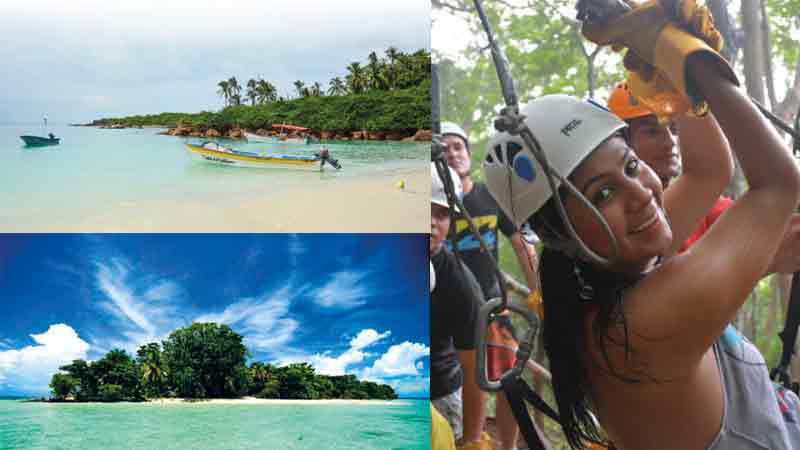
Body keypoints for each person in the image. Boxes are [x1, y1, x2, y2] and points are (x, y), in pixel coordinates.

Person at [482, 11, 800, 449]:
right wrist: (694, 63)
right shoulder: (639, 327)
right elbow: (779, 185)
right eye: (603, 194)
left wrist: (672, 76)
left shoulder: (608, 277)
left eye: (632, 166)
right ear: (559, 236)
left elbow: (708, 170)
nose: (642, 193)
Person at [608, 82, 800, 268]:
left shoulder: (703, 204)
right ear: (621, 145)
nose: (670, 142)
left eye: (674, 129)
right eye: (652, 132)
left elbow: (766, 224)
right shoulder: (627, 223)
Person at [440, 121, 540, 450]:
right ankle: (468, 438)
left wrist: (538, 292)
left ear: (468, 153)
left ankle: (507, 446)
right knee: (457, 382)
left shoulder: (489, 195)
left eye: (458, 147)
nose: (452, 153)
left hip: (491, 307)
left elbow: (521, 244)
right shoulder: (435, 198)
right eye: (445, 148)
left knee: (509, 382)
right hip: (445, 306)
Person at [430, 162, 490, 449]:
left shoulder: (459, 283)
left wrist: (472, 440)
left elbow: (474, 367)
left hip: (439, 391)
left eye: (442, 214)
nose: (432, 223)